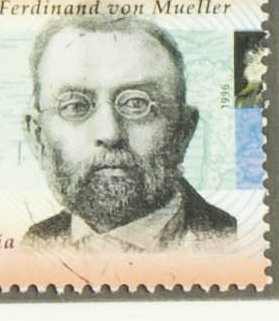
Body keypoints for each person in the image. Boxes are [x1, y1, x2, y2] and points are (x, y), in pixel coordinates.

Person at [16, 17, 243, 249]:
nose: (110, 133)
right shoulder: (31, 246)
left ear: (183, 132)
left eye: (136, 103)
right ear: (38, 137)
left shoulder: (236, 241)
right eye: (75, 106)